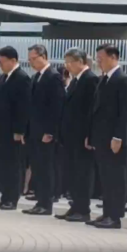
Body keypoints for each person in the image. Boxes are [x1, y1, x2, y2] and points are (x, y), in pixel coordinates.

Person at [86, 45, 127, 229]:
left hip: (115, 139)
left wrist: (118, 137)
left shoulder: (123, 80)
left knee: (116, 178)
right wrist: (91, 135)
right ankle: (107, 213)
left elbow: (125, 112)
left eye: (101, 58)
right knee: (105, 177)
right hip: (102, 137)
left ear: (113, 57)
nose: (99, 62)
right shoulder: (104, 79)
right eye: (97, 59)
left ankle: (115, 216)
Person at [56, 48, 98, 222]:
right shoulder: (75, 80)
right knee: (72, 173)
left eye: (70, 62)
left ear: (80, 62)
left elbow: (91, 110)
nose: (67, 66)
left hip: (82, 136)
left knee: (83, 174)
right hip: (71, 136)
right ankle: (75, 206)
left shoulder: (90, 79)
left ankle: (83, 209)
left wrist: (89, 134)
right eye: (66, 62)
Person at [23, 45, 65, 216]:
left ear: (44, 56)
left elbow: (56, 106)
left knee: (46, 168)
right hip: (34, 131)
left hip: (45, 132)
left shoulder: (53, 76)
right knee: (37, 168)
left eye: (34, 59)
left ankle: (46, 203)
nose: (31, 62)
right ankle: (40, 201)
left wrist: (50, 131)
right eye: (29, 59)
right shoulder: (36, 77)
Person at [0, 46, 31, 210]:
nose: (0, 65)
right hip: (2, 129)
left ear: (13, 60)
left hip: (13, 130)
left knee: (13, 165)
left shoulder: (22, 78)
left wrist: (19, 130)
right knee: (3, 164)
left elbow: (23, 107)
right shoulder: (3, 77)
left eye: (2, 62)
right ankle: (4, 196)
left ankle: (12, 198)